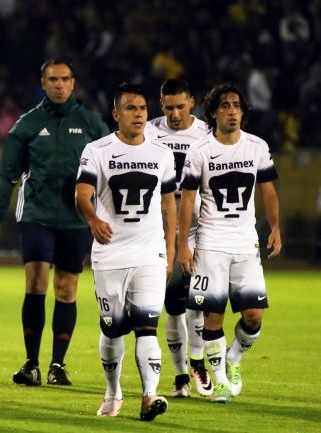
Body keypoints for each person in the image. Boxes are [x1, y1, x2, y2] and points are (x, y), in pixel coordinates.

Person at [0, 58, 109, 386]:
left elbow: (111, 174)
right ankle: (31, 363)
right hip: (36, 215)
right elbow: (7, 173)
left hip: (75, 219)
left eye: (65, 79)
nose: (59, 84)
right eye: (52, 79)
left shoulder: (93, 126)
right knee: (36, 282)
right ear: (43, 83)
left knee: (66, 289)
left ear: (73, 83)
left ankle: (57, 365)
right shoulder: (26, 124)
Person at [75, 82, 177, 420]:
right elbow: (81, 194)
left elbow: (168, 203)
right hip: (110, 253)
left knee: (148, 325)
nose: (138, 114)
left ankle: (150, 396)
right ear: (116, 114)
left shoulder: (161, 154)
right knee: (113, 328)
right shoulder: (97, 150)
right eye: (131, 108)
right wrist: (92, 219)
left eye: (143, 109)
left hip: (149, 252)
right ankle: (113, 391)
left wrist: (172, 248)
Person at [178, 83, 281, 403]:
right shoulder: (200, 151)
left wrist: (275, 227)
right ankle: (219, 381)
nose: (232, 110)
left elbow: (268, 190)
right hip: (210, 243)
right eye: (225, 105)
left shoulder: (256, 147)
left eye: (237, 105)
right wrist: (184, 244)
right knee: (213, 316)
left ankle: (234, 358)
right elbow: (186, 200)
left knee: (254, 316)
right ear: (213, 112)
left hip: (246, 242)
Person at [146, 78, 212, 398]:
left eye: (180, 106)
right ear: (161, 105)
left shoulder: (206, 134)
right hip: (158, 232)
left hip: (199, 229)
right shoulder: (147, 131)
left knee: (196, 300)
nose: (175, 114)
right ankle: (181, 377)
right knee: (172, 305)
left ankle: (197, 365)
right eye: (169, 107)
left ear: (192, 103)